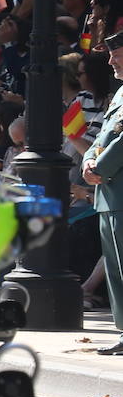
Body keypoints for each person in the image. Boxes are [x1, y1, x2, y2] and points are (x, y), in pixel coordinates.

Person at [80, 30, 123, 355]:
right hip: (108, 195)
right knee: (114, 268)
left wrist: (99, 168)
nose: (111, 61)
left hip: (117, 189)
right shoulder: (120, 95)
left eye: (116, 54)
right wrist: (87, 160)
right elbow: (102, 136)